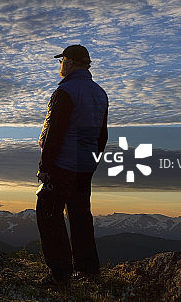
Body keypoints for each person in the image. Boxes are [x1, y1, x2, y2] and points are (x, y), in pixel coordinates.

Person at [36, 44, 108, 286]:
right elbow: (102, 135)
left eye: (62, 60)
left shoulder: (65, 92)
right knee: (79, 214)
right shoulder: (100, 93)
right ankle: (88, 269)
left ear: (71, 62)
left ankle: (60, 273)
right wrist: (91, 161)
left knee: (48, 212)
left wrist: (45, 168)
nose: (60, 65)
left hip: (62, 164)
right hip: (85, 166)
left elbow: (55, 133)